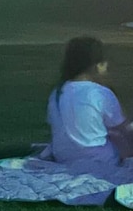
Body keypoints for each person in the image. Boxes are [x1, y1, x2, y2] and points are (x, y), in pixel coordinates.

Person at [45, 36, 126, 165]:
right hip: (100, 159)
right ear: (96, 66)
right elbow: (120, 129)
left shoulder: (57, 92)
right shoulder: (100, 93)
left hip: (63, 157)